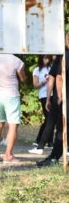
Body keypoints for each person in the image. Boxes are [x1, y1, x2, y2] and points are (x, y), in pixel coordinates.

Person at [37, 32, 68, 167]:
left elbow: (53, 78)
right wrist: (59, 97)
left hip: (59, 99)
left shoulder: (62, 56)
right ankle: (54, 156)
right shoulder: (64, 55)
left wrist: (50, 97)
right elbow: (57, 78)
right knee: (61, 129)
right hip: (62, 99)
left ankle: (54, 157)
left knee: (61, 129)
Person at [0, 53, 26, 162]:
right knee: (13, 125)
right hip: (11, 94)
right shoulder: (16, 61)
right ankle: (8, 154)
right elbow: (22, 78)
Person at [30, 55, 53, 154]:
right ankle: (39, 140)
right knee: (48, 118)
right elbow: (35, 85)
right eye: (44, 58)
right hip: (43, 96)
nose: (46, 60)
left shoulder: (51, 67)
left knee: (51, 119)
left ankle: (49, 141)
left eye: (47, 58)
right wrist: (44, 80)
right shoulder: (37, 70)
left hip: (53, 94)